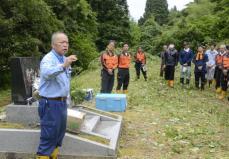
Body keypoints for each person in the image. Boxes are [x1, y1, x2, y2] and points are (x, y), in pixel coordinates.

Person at [37, 32, 77, 159]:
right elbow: (47, 73)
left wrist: (67, 100)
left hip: (61, 102)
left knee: (58, 135)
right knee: (48, 136)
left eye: (67, 42)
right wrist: (64, 66)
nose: (65, 45)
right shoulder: (48, 59)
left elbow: (64, 83)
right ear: (53, 45)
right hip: (50, 103)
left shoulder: (62, 59)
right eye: (62, 42)